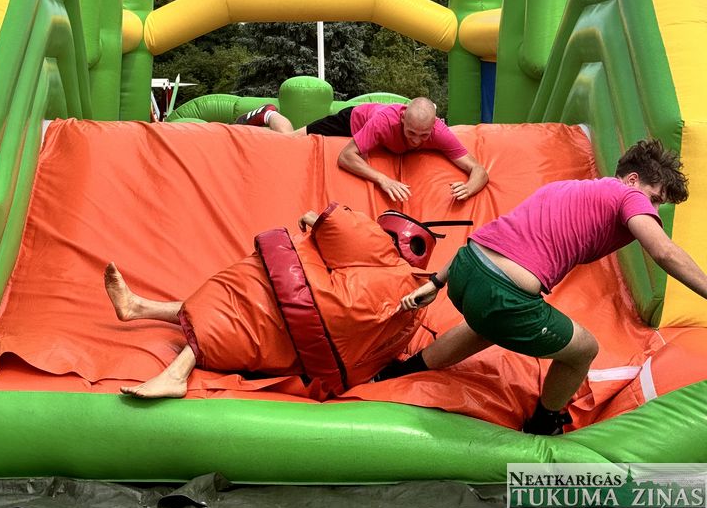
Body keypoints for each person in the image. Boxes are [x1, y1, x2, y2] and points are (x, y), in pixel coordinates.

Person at [375, 138, 707, 436]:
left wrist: (437, 281)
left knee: (487, 327)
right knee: (584, 350)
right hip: (503, 293)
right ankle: (543, 423)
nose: (653, 210)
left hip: (465, 269)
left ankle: (398, 373)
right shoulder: (628, 194)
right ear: (632, 179)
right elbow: (664, 252)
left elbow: (496, 233)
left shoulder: (563, 188)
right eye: (654, 199)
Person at [103, 204, 448, 400]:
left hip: (297, 320)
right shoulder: (413, 302)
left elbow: (343, 227)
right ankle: (139, 308)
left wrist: (316, 220)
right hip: (310, 353)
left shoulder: (382, 252)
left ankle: (175, 375)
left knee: (236, 309)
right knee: (227, 302)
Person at [235, 97, 489, 202]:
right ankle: (269, 114)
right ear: (402, 119)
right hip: (352, 121)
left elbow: (478, 170)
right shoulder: (384, 121)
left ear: (434, 126)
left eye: (423, 136)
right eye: (411, 133)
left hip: (376, 128)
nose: (416, 141)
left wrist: (469, 188)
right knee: (290, 142)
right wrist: (383, 179)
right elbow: (346, 157)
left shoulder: (438, 132)